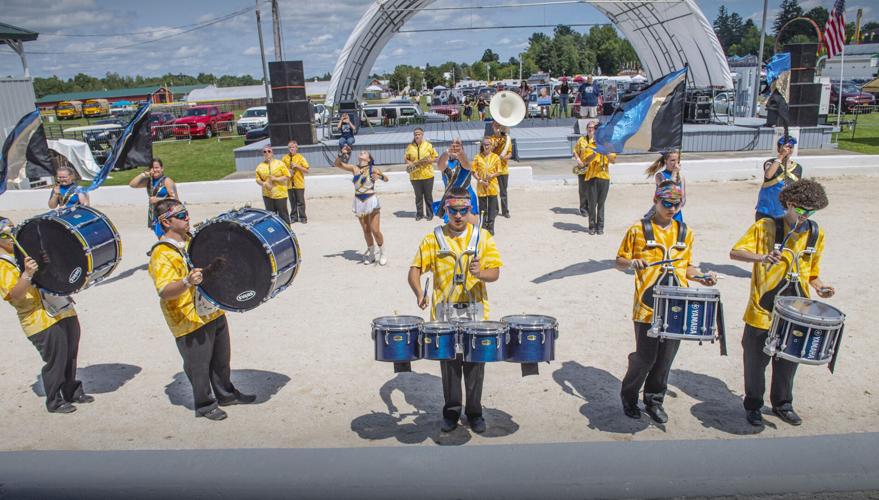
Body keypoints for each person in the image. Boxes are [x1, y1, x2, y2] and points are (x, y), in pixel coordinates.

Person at [730, 179, 834, 427]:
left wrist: (821, 287)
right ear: (788, 203)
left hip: (796, 312)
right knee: (755, 362)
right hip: (762, 311)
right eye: (800, 210)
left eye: (810, 212)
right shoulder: (765, 227)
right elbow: (735, 253)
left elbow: (812, 272)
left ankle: (782, 404)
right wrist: (762, 257)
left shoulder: (815, 233)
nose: (804, 216)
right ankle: (753, 405)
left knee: (788, 361)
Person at [615, 182, 717, 423]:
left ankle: (654, 399)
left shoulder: (685, 232)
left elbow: (687, 267)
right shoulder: (638, 230)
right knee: (645, 357)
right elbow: (619, 260)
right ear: (655, 200)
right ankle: (629, 396)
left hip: (677, 307)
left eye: (676, 204)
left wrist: (702, 277)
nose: (671, 208)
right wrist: (632, 263)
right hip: (648, 307)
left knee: (665, 359)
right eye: (666, 203)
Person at [148, 200, 256, 421]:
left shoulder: (192, 241)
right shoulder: (162, 254)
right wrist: (187, 281)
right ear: (166, 222)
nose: (187, 218)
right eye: (181, 215)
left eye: (186, 213)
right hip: (188, 318)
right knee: (198, 366)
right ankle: (205, 404)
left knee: (221, 359)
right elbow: (164, 291)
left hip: (212, 309)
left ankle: (226, 394)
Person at [408, 187, 503, 433]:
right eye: (453, 211)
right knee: (449, 366)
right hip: (443, 313)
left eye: (463, 210)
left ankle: (474, 413)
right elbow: (415, 269)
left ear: (470, 209)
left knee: (474, 365)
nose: (458, 216)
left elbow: (495, 273)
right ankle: (451, 411)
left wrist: (480, 273)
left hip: (475, 311)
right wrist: (420, 292)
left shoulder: (483, 237)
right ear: (446, 210)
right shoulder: (433, 239)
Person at [1, 216, 93, 414]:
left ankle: (72, 390)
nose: (11, 238)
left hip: (61, 307)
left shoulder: (27, 251)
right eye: (5, 235)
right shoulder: (2, 264)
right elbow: (14, 296)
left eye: (13, 231)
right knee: (56, 359)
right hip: (38, 318)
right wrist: (26, 274)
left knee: (71, 352)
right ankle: (54, 400)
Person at [335, 145, 390, 265]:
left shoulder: (373, 168)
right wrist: (341, 153)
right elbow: (338, 164)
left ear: (368, 159)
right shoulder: (354, 168)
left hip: (371, 200)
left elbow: (386, 179)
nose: (362, 153)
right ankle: (371, 253)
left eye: (365, 153)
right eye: (361, 152)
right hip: (359, 201)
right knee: (366, 230)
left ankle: (383, 252)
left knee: (375, 230)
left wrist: (379, 176)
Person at [573, 120, 615, 232]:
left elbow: (613, 160)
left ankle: (600, 227)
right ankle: (592, 226)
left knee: (601, 204)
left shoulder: (608, 144)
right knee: (592, 203)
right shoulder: (589, 145)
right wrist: (594, 153)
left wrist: (606, 152)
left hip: (604, 177)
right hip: (591, 177)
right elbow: (586, 160)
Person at [128, 158, 178, 238]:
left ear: (162, 168)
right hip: (154, 215)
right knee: (161, 238)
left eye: (157, 167)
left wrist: (159, 199)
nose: (155, 170)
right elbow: (132, 184)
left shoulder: (167, 181)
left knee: (168, 239)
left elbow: (175, 200)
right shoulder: (149, 181)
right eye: (152, 167)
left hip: (167, 214)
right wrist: (143, 174)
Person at [755, 136, 801, 221]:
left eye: (791, 147)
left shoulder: (798, 168)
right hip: (766, 210)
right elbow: (768, 175)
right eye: (785, 147)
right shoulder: (770, 163)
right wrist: (781, 157)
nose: (788, 150)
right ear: (778, 148)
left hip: (785, 212)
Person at [434, 138, 478, 225]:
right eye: (453, 144)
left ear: (462, 147)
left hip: (467, 196)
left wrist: (460, 153)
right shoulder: (446, 162)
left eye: (458, 144)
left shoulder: (466, 161)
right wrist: (447, 152)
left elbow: (465, 164)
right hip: (451, 197)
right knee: (452, 226)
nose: (455, 146)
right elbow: (440, 165)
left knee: (471, 225)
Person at [404, 128, 439, 221]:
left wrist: (429, 160)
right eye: (415, 134)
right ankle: (419, 214)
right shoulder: (410, 147)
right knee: (418, 196)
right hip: (415, 176)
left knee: (428, 196)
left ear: (422, 135)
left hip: (428, 175)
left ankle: (430, 214)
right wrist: (410, 163)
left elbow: (436, 157)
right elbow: (405, 159)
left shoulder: (429, 145)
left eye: (419, 134)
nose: (417, 135)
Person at [644, 150, 685, 223]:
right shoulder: (660, 175)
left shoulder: (681, 177)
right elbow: (668, 189)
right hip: (663, 213)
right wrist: (674, 172)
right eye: (672, 160)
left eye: (677, 161)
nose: (675, 163)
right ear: (666, 161)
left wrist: (674, 211)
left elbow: (683, 199)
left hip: (676, 213)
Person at [255, 145, 291, 225]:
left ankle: (288, 232)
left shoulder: (280, 164)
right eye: (264, 151)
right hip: (267, 195)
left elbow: (287, 176)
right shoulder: (260, 166)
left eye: (269, 151)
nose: (267, 153)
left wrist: (276, 179)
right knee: (270, 216)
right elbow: (257, 179)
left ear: (272, 153)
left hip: (280, 194)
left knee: (283, 215)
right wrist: (264, 183)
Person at [472, 138, 502, 234]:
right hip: (481, 186)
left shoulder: (496, 157)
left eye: (488, 144)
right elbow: (473, 171)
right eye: (484, 144)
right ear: (482, 145)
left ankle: (491, 227)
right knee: (482, 209)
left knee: (492, 208)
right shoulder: (477, 157)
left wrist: (492, 175)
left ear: (491, 146)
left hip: (492, 186)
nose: (486, 146)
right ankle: (484, 226)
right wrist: (480, 180)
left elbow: (499, 171)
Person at [489, 121, 513, 218]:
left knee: (503, 191)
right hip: (493, 169)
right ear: (492, 126)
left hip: (503, 169)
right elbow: (488, 152)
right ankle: (495, 210)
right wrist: (495, 145)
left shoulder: (506, 138)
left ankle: (505, 211)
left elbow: (510, 153)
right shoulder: (491, 139)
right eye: (495, 125)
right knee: (494, 190)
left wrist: (505, 157)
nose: (497, 127)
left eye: (499, 125)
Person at [283, 140, 310, 224]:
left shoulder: (301, 158)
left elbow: (307, 170)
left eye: (293, 147)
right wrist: (288, 171)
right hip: (289, 184)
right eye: (290, 147)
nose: (292, 149)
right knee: (292, 202)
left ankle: (303, 217)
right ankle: (294, 217)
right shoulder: (285, 158)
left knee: (300, 202)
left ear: (296, 148)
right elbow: (281, 170)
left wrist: (297, 166)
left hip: (299, 183)